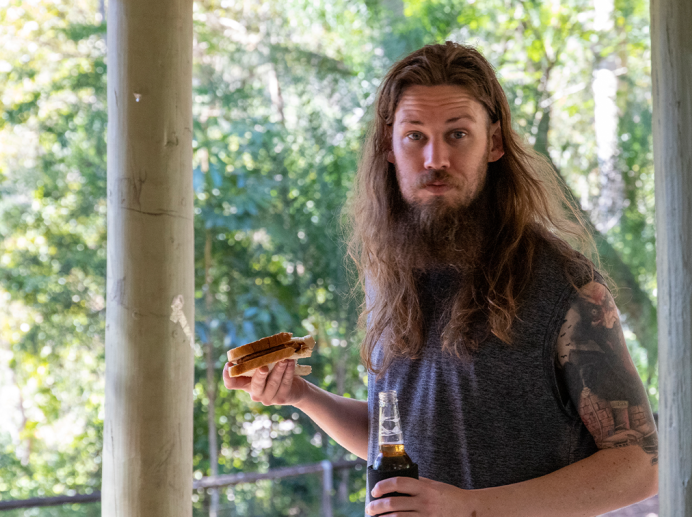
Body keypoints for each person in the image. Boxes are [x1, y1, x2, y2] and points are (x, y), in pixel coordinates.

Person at [223, 41, 658, 516]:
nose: (435, 158)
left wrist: (469, 508)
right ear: (389, 145)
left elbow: (639, 462)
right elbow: (406, 434)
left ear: (493, 143)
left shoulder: (565, 285)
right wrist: (302, 395)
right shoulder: (390, 274)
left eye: (457, 134)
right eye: (415, 136)